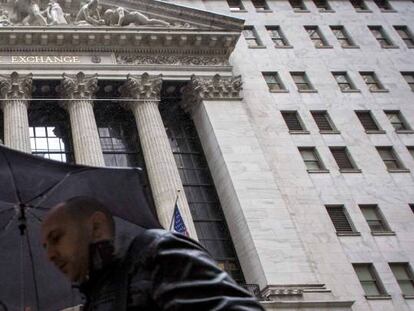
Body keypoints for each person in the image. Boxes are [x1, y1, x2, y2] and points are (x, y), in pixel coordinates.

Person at [41, 196, 265, 310]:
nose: (50, 254)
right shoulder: (95, 294)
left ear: (97, 227)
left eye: (56, 238)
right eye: (45, 246)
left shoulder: (157, 251)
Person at [103, 7, 170, 27]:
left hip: (136, 16)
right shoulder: (113, 18)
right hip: (132, 22)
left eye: (109, 17)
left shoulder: (119, 9)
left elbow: (122, 17)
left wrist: (118, 24)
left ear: (111, 14)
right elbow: (110, 25)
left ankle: (166, 24)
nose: (109, 19)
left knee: (148, 21)